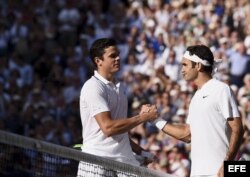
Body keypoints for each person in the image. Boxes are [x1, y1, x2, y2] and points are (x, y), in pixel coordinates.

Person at [153, 44, 244, 177]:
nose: (182, 70)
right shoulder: (196, 96)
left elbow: (238, 129)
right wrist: (156, 120)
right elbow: (187, 134)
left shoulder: (221, 89)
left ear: (198, 66)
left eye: (185, 65)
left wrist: (227, 164)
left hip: (220, 172)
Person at [77, 38, 158, 177]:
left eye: (118, 54)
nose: (118, 58)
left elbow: (121, 131)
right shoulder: (92, 87)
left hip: (123, 159)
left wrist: (140, 151)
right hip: (97, 160)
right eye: (112, 56)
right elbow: (108, 128)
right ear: (98, 61)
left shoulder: (119, 87)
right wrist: (142, 117)